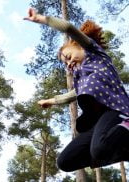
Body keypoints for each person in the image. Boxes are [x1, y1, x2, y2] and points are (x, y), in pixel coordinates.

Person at [24, 8, 129, 171]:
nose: (68, 63)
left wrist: (42, 19)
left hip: (116, 110)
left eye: (68, 57)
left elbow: (68, 28)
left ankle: (125, 127)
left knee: (99, 149)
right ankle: (122, 149)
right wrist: (50, 101)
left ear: (79, 46)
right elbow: (71, 95)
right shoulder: (81, 79)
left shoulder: (95, 54)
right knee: (65, 162)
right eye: (65, 64)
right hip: (99, 123)